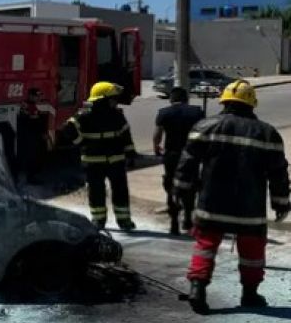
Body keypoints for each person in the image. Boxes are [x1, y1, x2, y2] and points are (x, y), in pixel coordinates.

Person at [175, 80, 289, 314]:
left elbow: (187, 163)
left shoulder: (205, 126)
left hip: (211, 204)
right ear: (252, 104)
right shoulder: (268, 133)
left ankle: (197, 288)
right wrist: (281, 203)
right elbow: (278, 172)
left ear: (224, 101)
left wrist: (181, 190)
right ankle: (249, 295)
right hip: (250, 208)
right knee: (252, 252)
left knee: (205, 246)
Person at [59, 81, 137, 231]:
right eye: (112, 98)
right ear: (102, 99)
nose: (115, 101)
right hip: (94, 160)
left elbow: (125, 134)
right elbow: (67, 128)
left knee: (120, 190)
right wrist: (81, 142)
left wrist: (131, 152)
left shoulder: (116, 114)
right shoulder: (85, 114)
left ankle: (124, 219)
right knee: (96, 191)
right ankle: (99, 219)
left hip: (115, 159)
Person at [152, 86, 205, 235]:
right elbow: (203, 132)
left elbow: (157, 135)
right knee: (190, 185)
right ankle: (187, 218)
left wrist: (156, 147)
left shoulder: (164, 113)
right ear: (186, 99)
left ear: (171, 99)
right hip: (191, 155)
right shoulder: (196, 112)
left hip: (172, 155)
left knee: (171, 187)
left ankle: (174, 222)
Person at [16, 87, 49, 184]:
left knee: (34, 157)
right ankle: (30, 178)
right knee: (31, 157)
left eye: (39, 96)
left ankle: (31, 176)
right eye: (36, 96)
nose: (38, 98)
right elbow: (30, 122)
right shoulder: (27, 106)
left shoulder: (33, 106)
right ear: (30, 96)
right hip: (29, 136)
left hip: (32, 136)